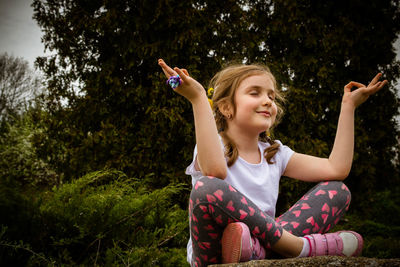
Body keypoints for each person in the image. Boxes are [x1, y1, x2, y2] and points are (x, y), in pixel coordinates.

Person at [158, 59, 387, 267]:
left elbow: (337, 169)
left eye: (271, 96)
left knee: (338, 191)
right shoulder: (212, 144)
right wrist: (198, 98)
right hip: (212, 253)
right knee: (205, 188)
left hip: (261, 243)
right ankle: (298, 248)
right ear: (226, 107)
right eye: (255, 93)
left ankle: (259, 250)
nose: (267, 101)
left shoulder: (274, 153)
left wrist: (348, 107)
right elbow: (214, 173)